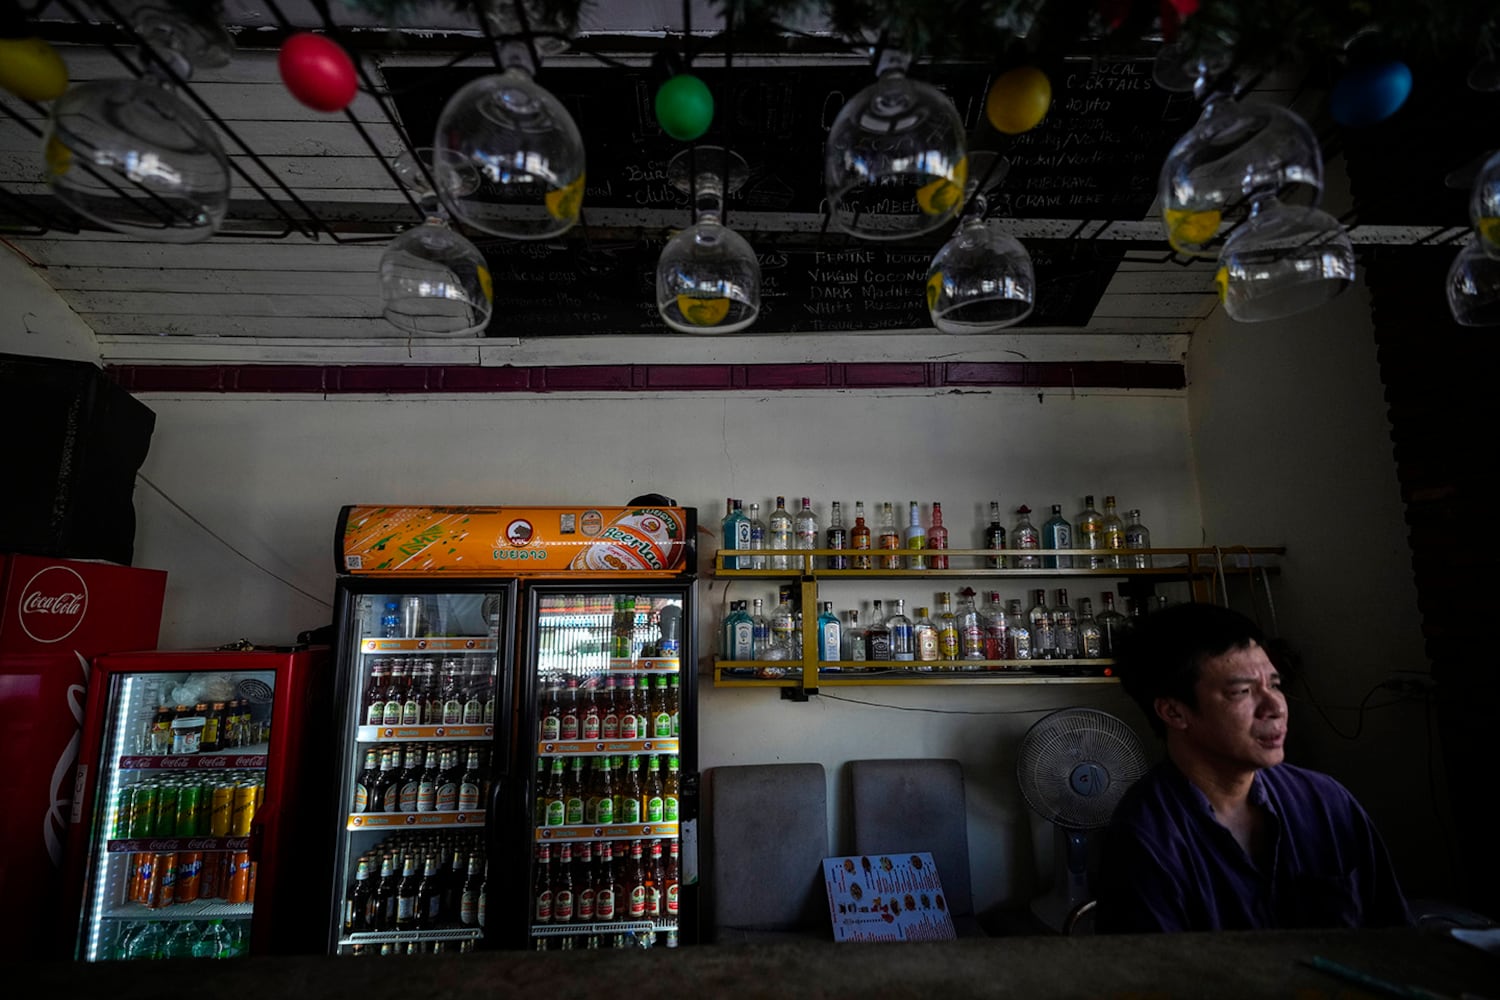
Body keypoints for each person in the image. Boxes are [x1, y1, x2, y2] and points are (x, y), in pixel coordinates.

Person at [1095, 601, 1411, 932]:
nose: (1275, 706)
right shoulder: (1146, 839)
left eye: (1274, 685)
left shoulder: (1326, 802)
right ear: (1174, 713)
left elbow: (1394, 937)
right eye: (1242, 691)